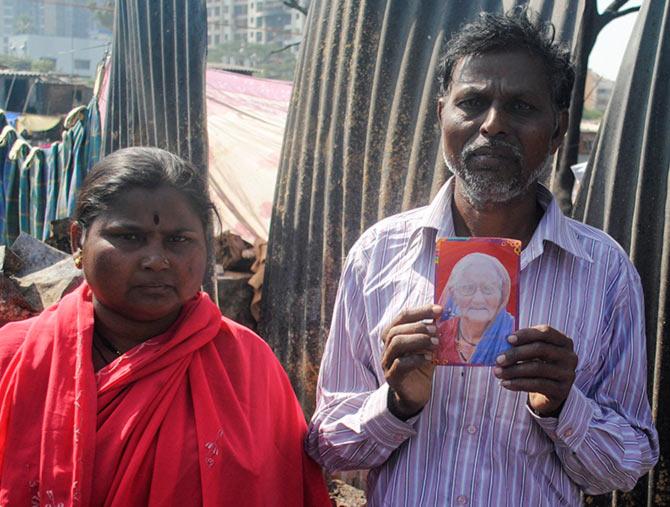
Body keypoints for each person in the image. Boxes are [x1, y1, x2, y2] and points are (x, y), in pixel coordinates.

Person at [306, 10, 658, 506]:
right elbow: (328, 447)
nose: (493, 124)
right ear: (440, 115)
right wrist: (398, 403)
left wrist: (563, 406)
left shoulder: (605, 272)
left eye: (521, 106)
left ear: (557, 132)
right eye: (472, 102)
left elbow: (628, 466)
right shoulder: (377, 254)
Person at [0, 147, 330, 506]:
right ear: (78, 240)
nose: (156, 260)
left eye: (179, 240)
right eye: (129, 237)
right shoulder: (14, 358)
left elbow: (284, 487)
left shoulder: (248, 365)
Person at [436, 252, 514, 364]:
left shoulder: (513, 332)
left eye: (488, 288)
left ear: (502, 295)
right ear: (453, 295)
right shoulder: (440, 334)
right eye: (467, 288)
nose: (478, 300)